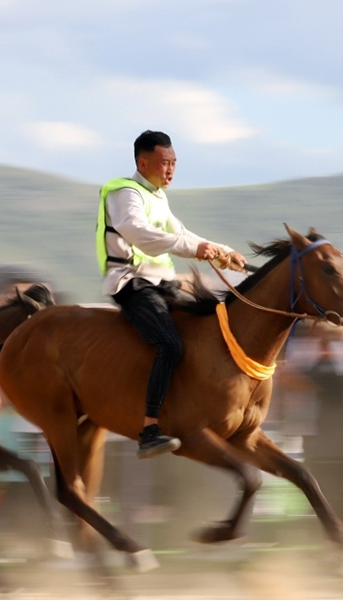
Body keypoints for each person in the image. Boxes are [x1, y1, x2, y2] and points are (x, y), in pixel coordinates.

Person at [96, 130, 247, 459]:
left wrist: (224, 252)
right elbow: (140, 234)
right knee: (169, 343)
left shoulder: (158, 197)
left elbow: (180, 233)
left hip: (161, 283)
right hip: (131, 283)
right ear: (143, 161)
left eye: (174, 163)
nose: (171, 170)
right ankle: (150, 429)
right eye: (165, 163)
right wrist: (197, 249)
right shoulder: (124, 193)